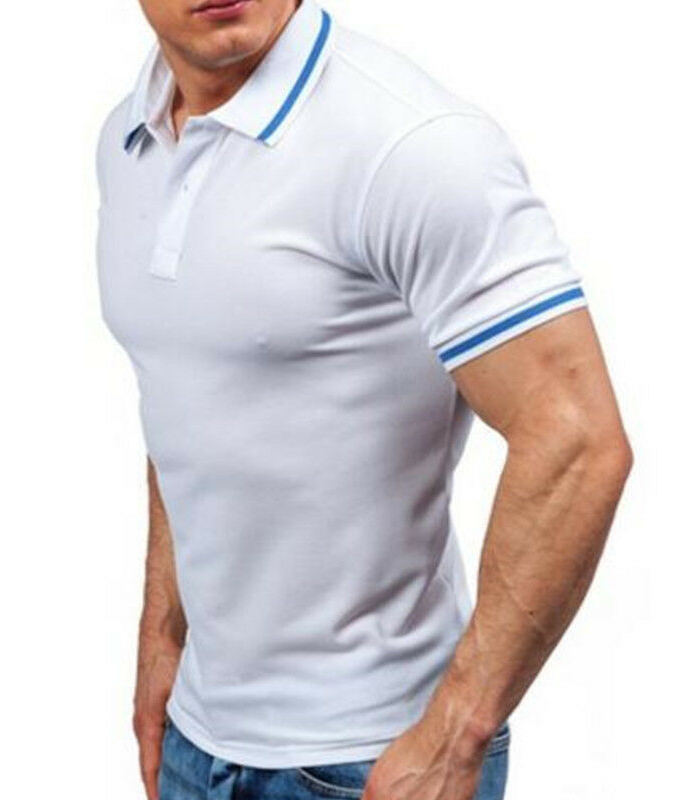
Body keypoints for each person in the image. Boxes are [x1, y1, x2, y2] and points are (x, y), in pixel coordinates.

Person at [94, 1, 633, 798]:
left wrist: (456, 734)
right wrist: (160, 634)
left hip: (365, 761)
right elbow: (190, 391)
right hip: (195, 739)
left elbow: (578, 439)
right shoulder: (130, 138)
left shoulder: (411, 142)